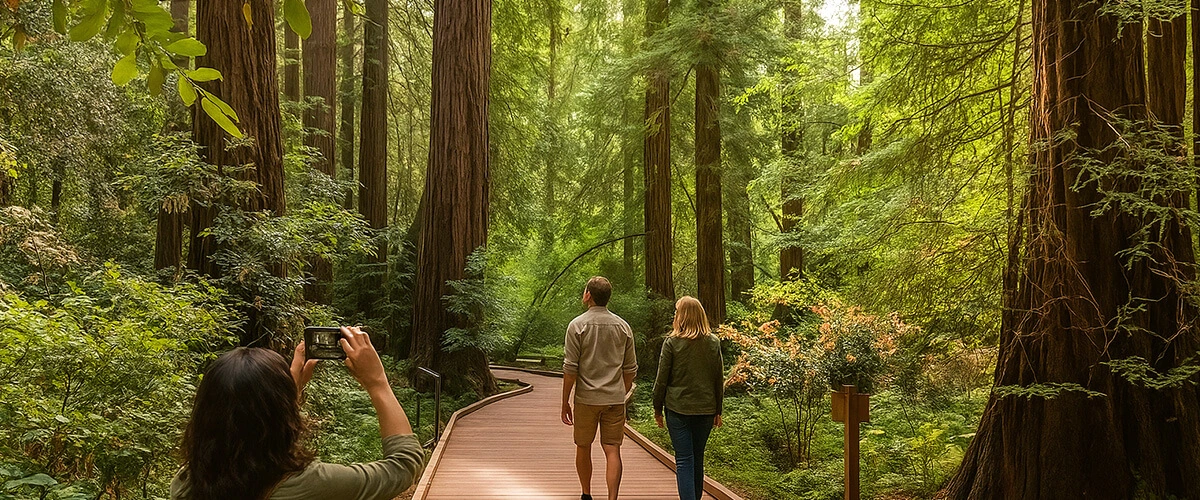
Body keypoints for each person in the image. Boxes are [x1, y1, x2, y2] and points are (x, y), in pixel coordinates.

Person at [170, 327, 425, 500]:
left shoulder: (186, 483)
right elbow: (403, 466)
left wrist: (288, 394)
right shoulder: (311, 484)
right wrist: (377, 381)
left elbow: (244, 433)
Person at [562, 276, 638, 500]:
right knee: (612, 449)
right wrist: (620, 392)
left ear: (588, 296)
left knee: (583, 446)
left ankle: (586, 494)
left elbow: (570, 369)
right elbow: (630, 368)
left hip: (586, 399)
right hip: (614, 399)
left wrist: (565, 400)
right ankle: (612, 498)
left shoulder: (577, 326)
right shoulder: (623, 327)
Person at [653, 296, 724, 500]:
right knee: (697, 458)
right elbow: (718, 379)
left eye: (677, 312)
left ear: (682, 316)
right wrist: (718, 410)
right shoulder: (713, 342)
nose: (675, 315)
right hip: (705, 409)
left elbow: (662, 379)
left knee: (684, 460)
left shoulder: (672, 342)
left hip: (678, 409)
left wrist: (657, 408)